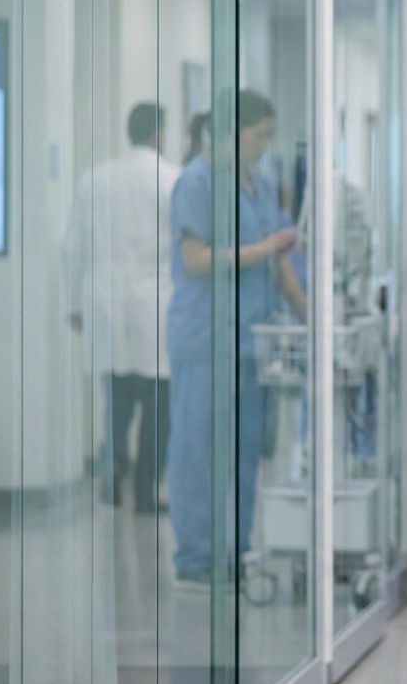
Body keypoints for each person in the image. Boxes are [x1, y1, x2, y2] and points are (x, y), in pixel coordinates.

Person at [165, 92, 306, 590]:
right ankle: (197, 559)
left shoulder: (261, 186)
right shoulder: (196, 183)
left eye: (270, 135)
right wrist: (269, 246)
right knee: (199, 449)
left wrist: (309, 318)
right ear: (226, 134)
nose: (266, 145)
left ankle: (237, 552)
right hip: (205, 339)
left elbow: (282, 265)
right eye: (258, 135)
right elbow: (197, 260)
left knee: (247, 454)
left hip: (252, 343)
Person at [60, 102, 181, 512]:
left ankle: (112, 477)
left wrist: (73, 302)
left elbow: (72, 245)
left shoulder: (95, 179)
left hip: (104, 295)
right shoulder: (171, 179)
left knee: (116, 397)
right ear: (159, 132)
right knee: (157, 401)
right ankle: (146, 493)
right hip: (156, 298)